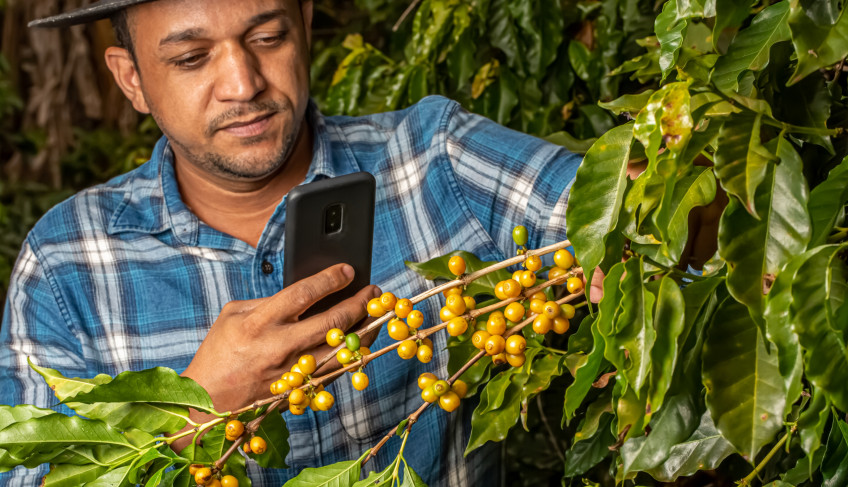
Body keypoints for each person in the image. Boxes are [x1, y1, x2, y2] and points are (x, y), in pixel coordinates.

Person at [0, 0, 582, 485]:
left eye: (268, 36)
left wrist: (638, 240)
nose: (242, 83)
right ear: (132, 80)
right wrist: (187, 414)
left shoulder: (435, 158)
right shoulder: (67, 264)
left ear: (303, 26)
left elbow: (622, 212)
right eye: (191, 58)